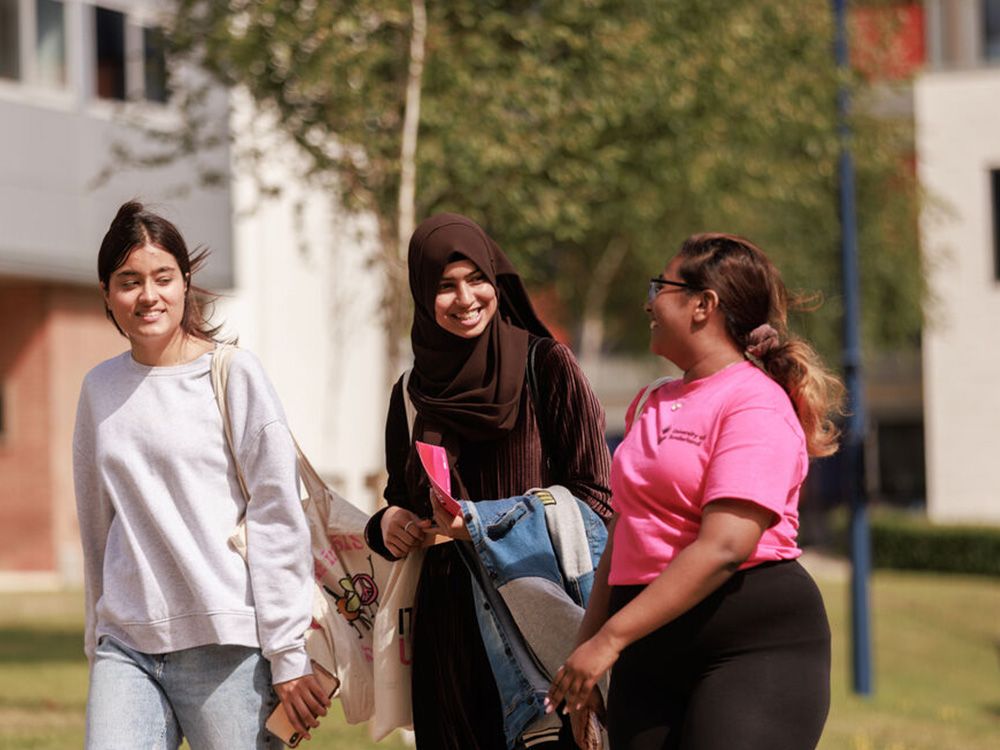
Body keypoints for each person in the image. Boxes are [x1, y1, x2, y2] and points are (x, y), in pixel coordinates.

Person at [546, 233, 845, 749]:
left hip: (751, 645)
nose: (648, 302)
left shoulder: (756, 404)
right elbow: (623, 533)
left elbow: (725, 546)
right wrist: (588, 647)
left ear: (703, 305)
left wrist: (610, 640)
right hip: (648, 642)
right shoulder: (651, 402)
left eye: (660, 287)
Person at [73, 201, 330, 749]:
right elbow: (96, 524)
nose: (148, 295)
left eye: (163, 277)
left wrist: (287, 654)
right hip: (128, 643)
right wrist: (97, 636)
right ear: (106, 291)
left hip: (227, 645)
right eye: (129, 281)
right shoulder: (99, 389)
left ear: (186, 282)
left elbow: (277, 515)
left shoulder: (234, 374)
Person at [364, 212, 613, 750]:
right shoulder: (411, 394)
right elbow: (400, 502)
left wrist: (481, 523)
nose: (466, 298)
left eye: (477, 279)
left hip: (535, 618)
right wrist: (389, 523)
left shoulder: (547, 367)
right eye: (445, 286)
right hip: (448, 634)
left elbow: (597, 499)